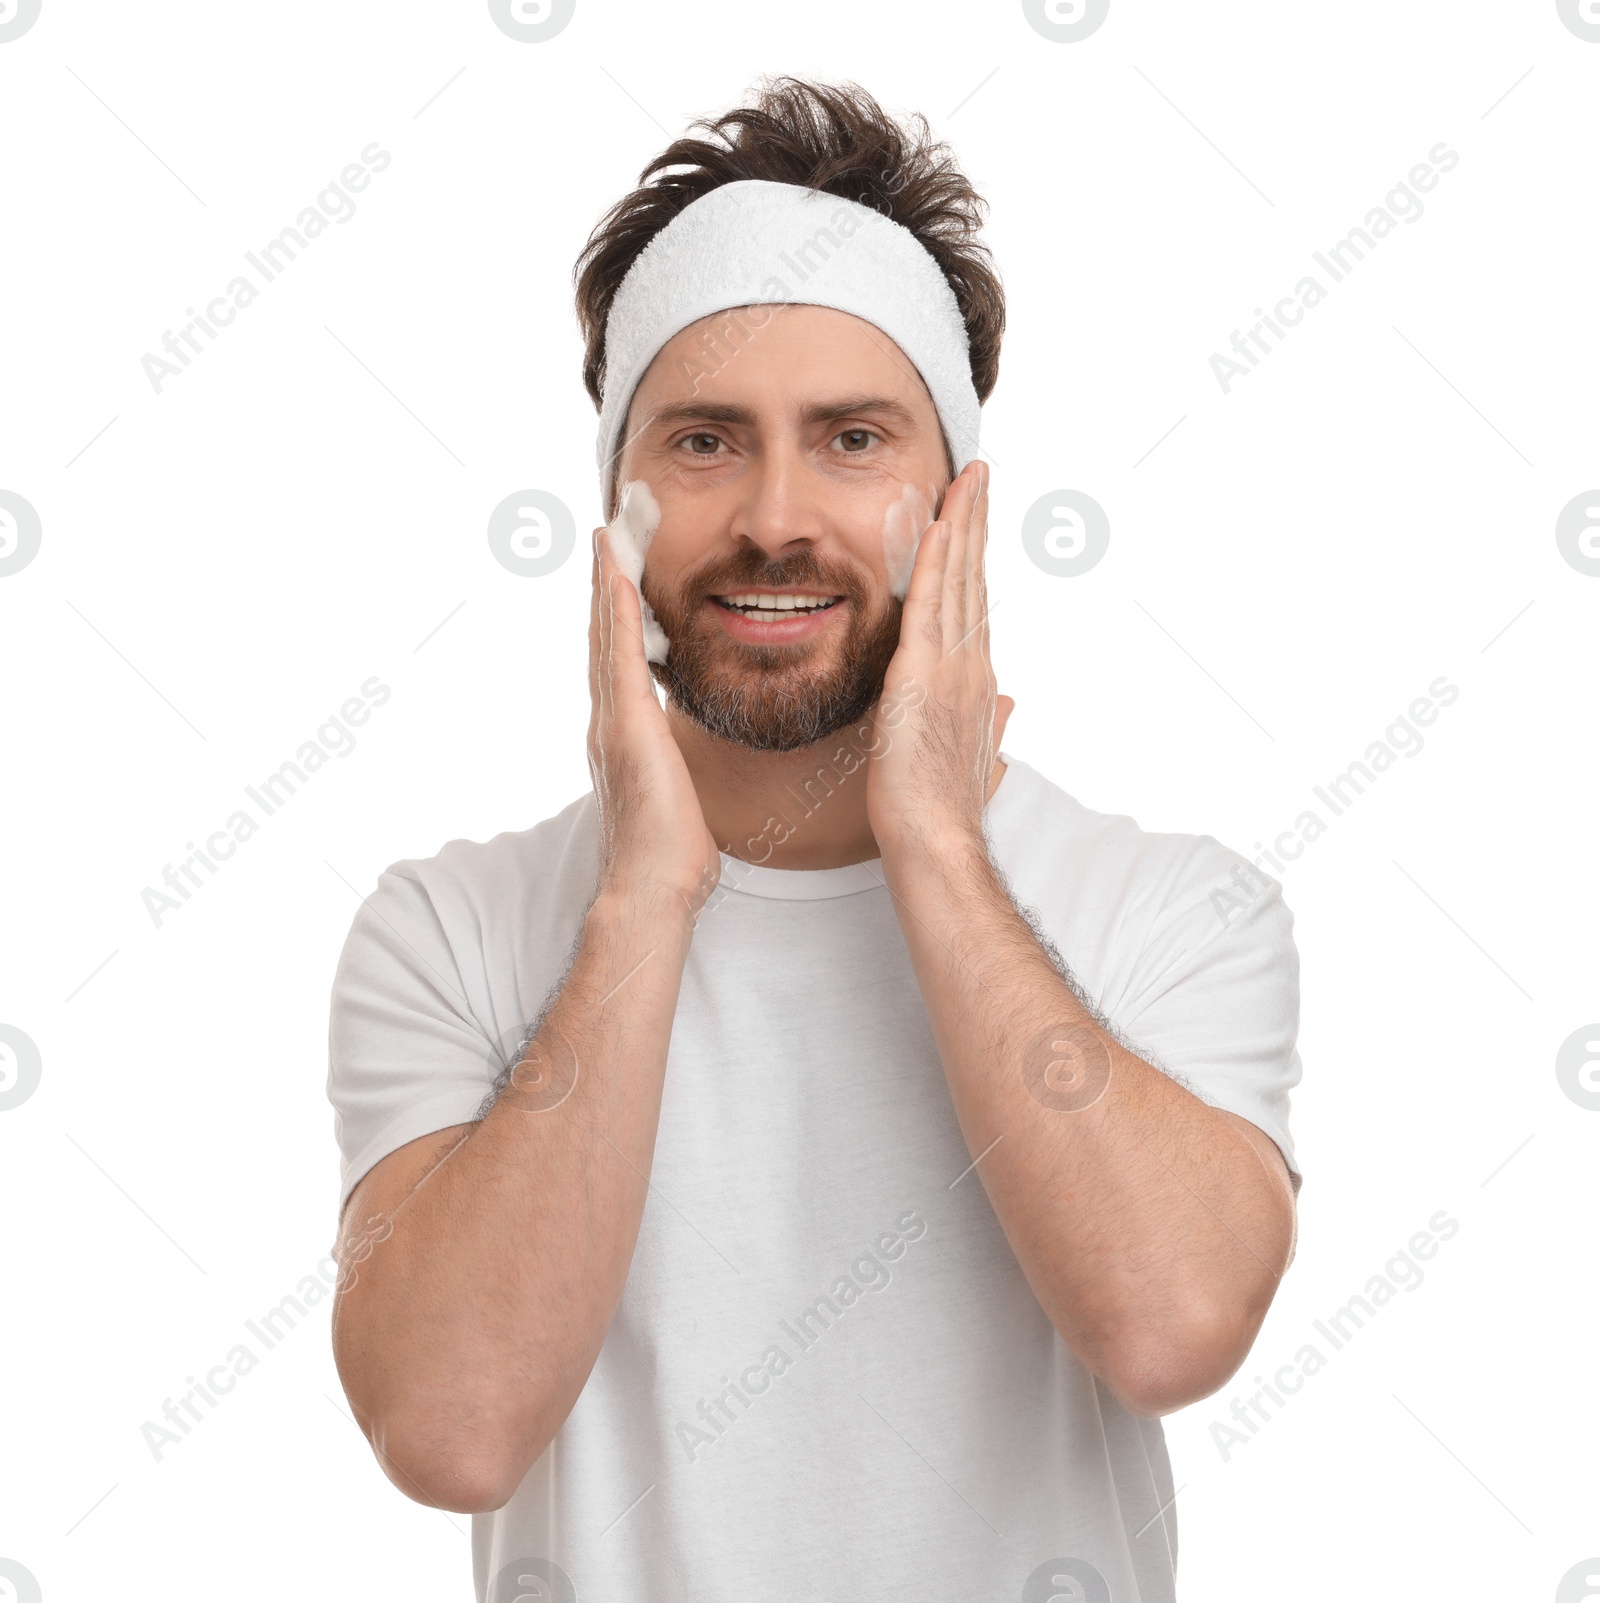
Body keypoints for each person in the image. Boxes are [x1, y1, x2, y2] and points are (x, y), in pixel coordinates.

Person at [326, 76, 1301, 1603]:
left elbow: (1173, 1328)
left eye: (852, 438)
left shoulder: (1176, 912)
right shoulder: (450, 930)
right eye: (707, 441)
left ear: (958, 506)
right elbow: (449, 1431)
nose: (778, 518)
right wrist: (649, 893)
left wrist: (932, 844)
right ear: (617, 503)